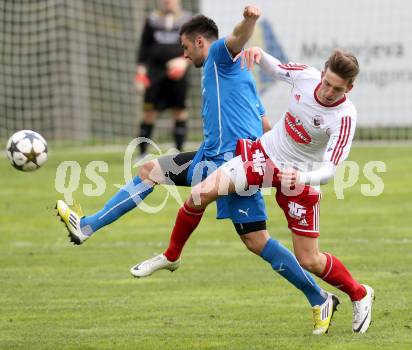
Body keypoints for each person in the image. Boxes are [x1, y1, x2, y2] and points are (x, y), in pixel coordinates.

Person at [56, 7, 338, 335]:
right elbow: (264, 123)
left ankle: (318, 297)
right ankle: (88, 226)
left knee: (256, 239)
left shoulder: (220, 56)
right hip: (214, 158)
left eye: (186, 48)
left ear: (201, 41)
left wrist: (250, 20)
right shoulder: (238, 76)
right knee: (154, 172)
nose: (184, 56)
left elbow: (236, 38)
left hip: (234, 165)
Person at [138, 46, 375, 333]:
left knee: (309, 259)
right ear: (322, 73)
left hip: (298, 179)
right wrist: (258, 53)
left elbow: (330, 169)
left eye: (336, 89)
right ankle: (171, 256)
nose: (327, 92)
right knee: (201, 193)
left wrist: (302, 176)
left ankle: (359, 294)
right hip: (263, 157)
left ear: (350, 87)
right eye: (327, 83)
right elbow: (275, 68)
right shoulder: (307, 77)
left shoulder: (344, 117)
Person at [135, 0, 192, 153]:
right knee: (149, 112)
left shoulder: (188, 20)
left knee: (179, 111)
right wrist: (140, 74)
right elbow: (144, 47)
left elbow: (197, 47)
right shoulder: (152, 19)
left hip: (178, 74)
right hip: (154, 73)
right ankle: (142, 154)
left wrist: (184, 61)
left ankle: (178, 152)